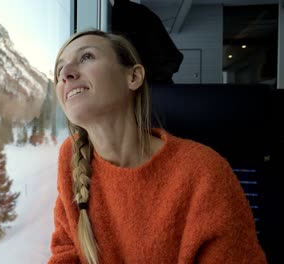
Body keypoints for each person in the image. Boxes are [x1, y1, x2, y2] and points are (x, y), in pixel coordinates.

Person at [48, 30, 267, 264]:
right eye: (60, 70)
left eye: (86, 57)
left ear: (133, 77)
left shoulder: (204, 172)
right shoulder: (70, 157)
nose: (66, 74)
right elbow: (66, 251)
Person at [111, 0, 184, 85]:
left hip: (151, 88)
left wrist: (142, 80)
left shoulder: (137, 13)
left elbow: (171, 59)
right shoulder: (105, 15)